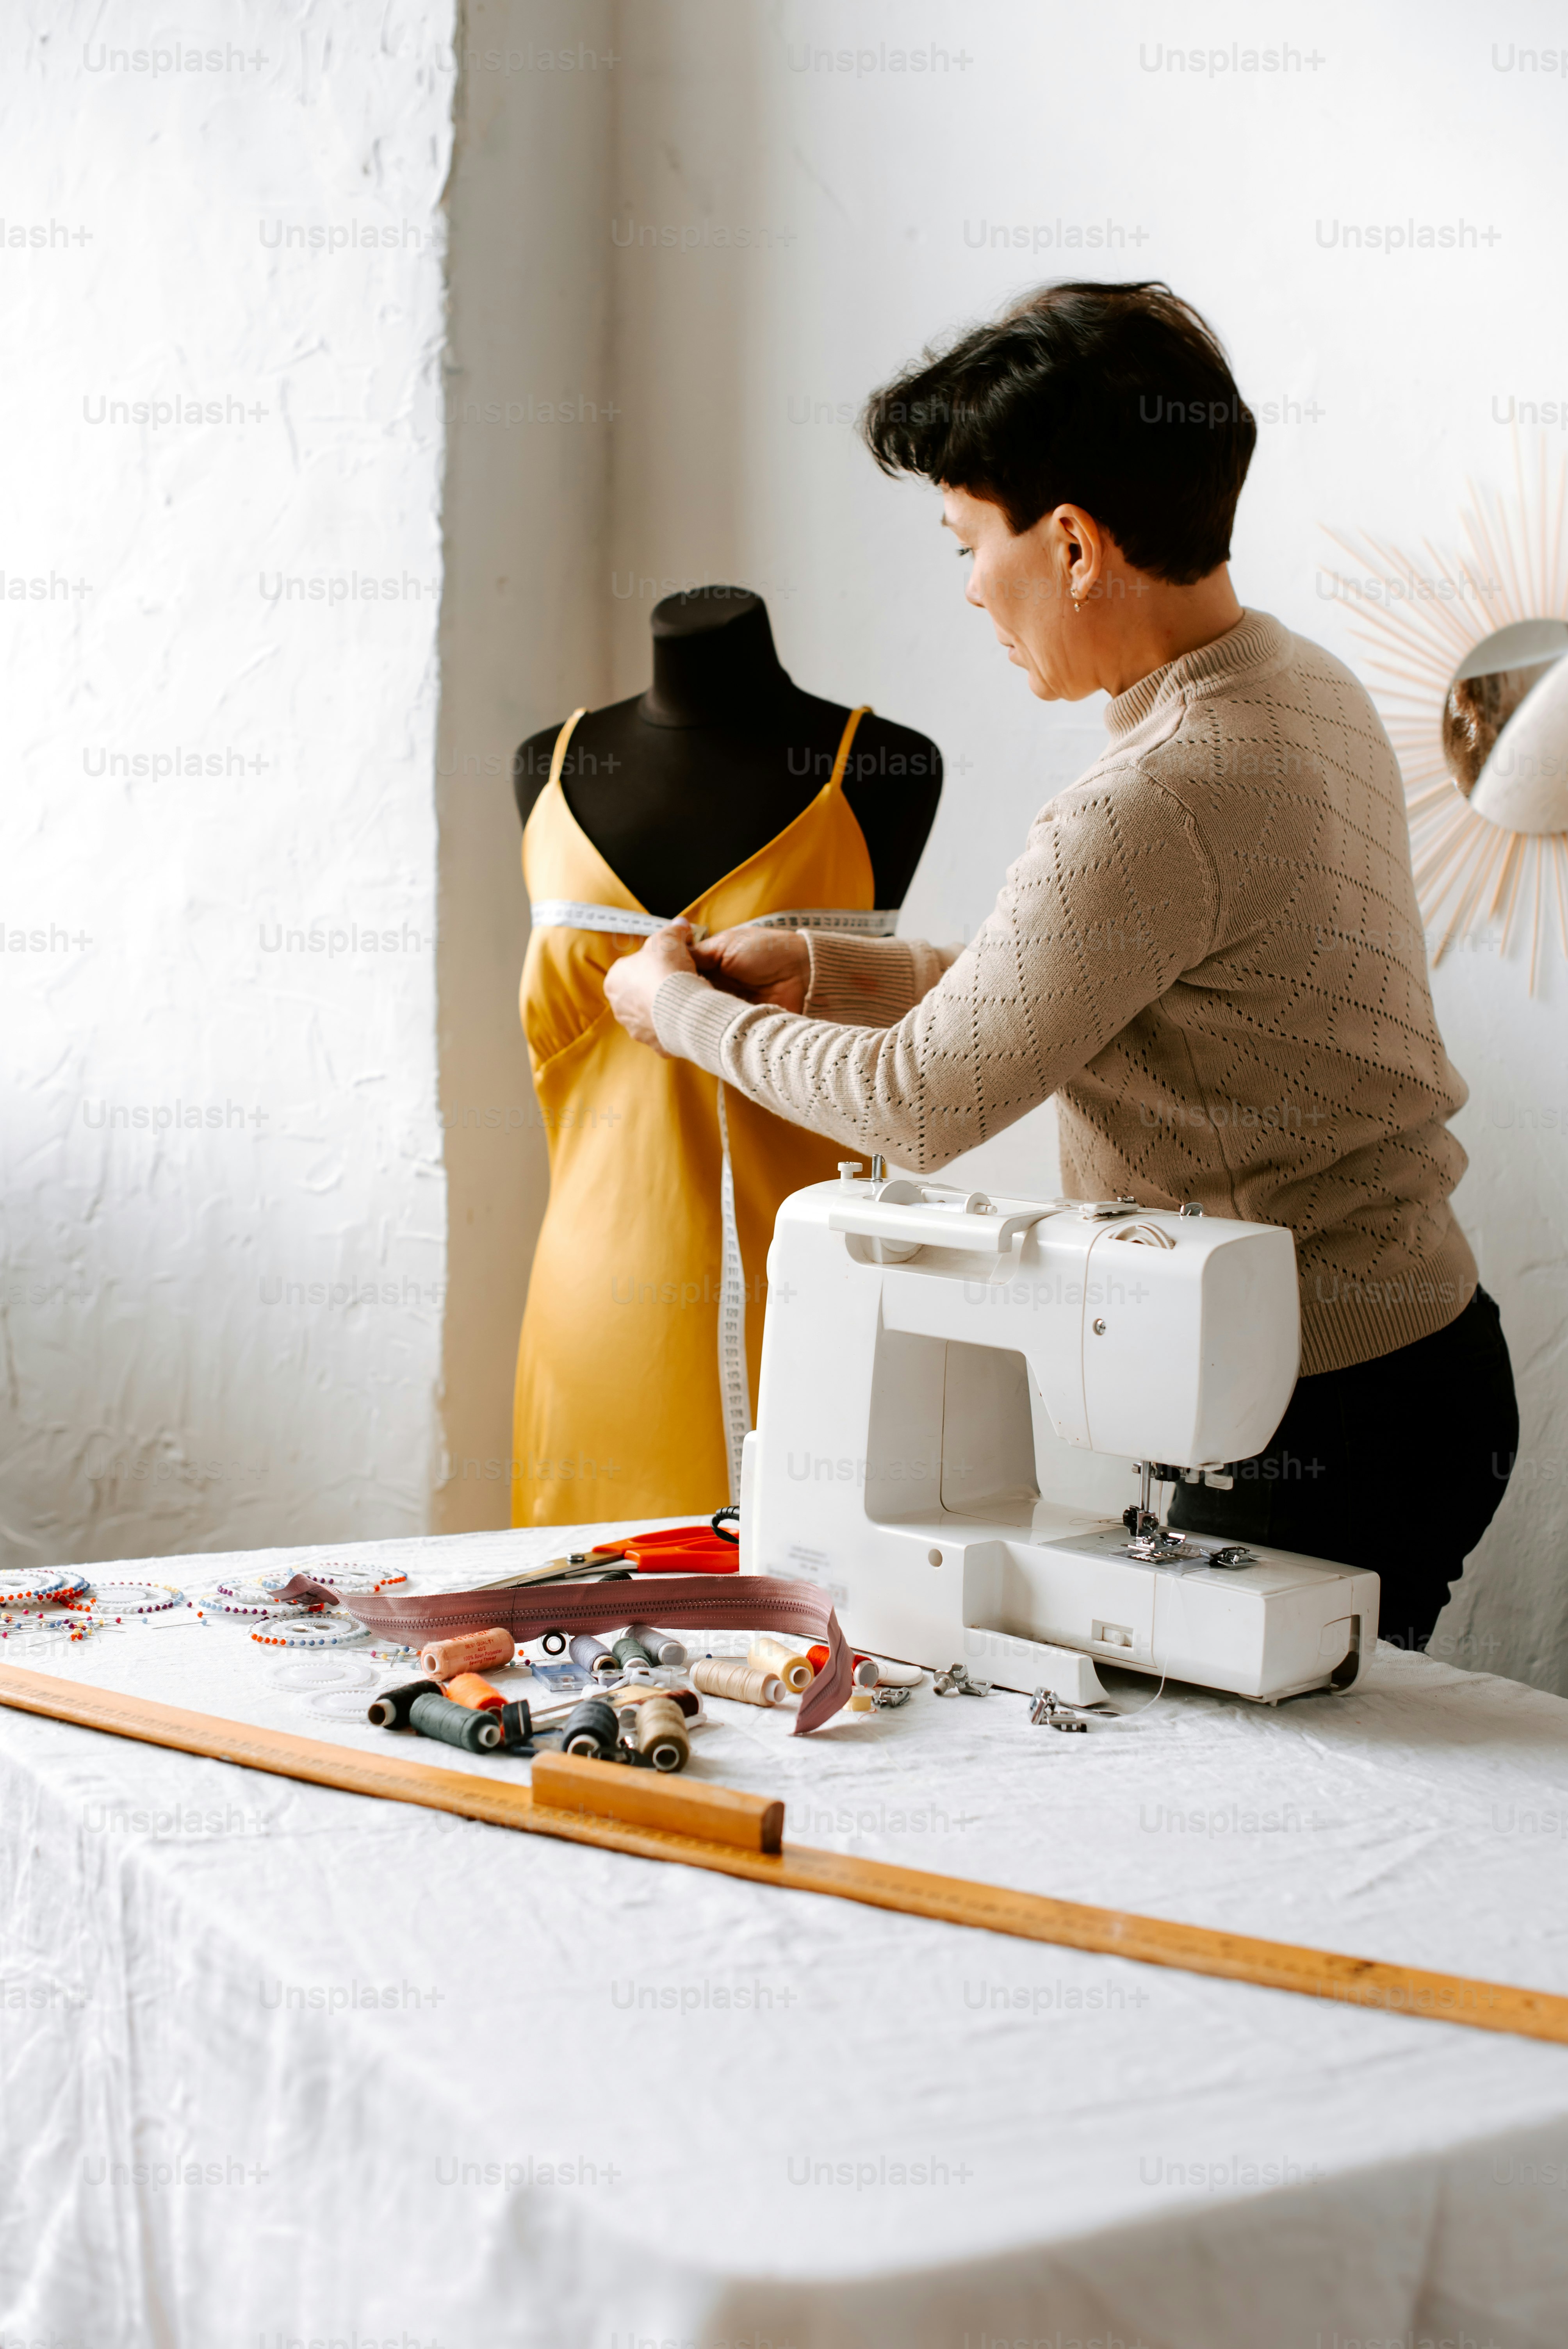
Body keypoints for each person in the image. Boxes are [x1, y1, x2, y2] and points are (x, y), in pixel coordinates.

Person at [604, 279, 1518, 1650]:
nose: (971, 584)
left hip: (1314, 1409)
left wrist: (675, 1012)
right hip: (1423, 1353)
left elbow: (922, 1108)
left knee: (1271, 1831)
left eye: (970, 541)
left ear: (1077, 547)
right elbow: (1130, 987)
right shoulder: (1296, 682)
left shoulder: (1155, 792)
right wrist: (837, 971)